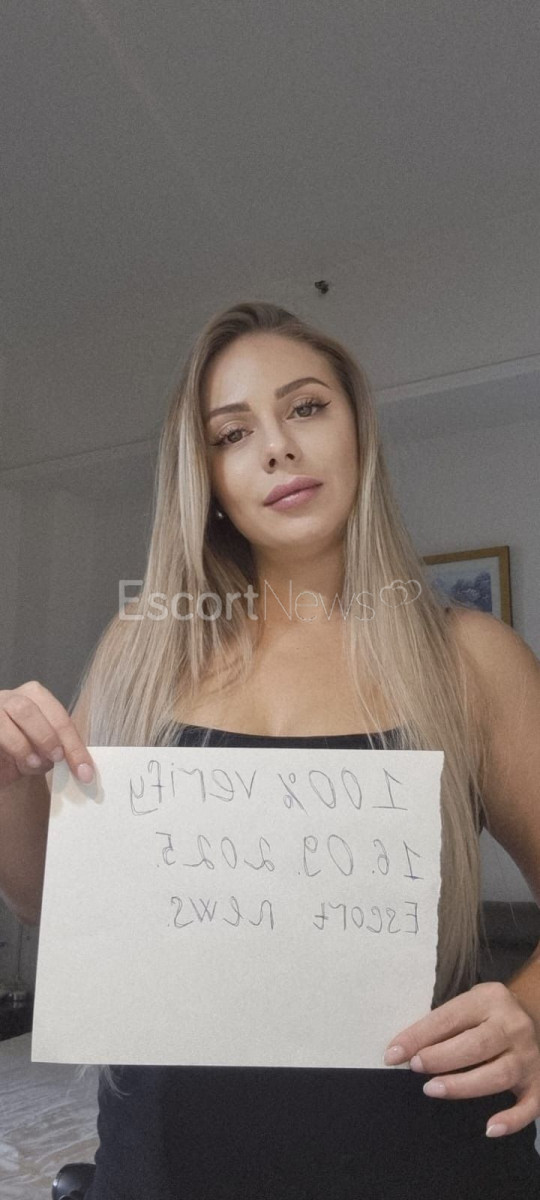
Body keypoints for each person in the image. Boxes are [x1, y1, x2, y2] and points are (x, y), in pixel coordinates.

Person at [1, 300, 540, 1198]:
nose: (278, 448)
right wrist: (9, 780)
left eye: (307, 407)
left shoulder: (473, 659)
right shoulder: (142, 648)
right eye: (232, 432)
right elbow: (42, 901)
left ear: (358, 430)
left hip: (427, 1162)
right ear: (206, 476)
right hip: (165, 1163)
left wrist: (528, 1013)